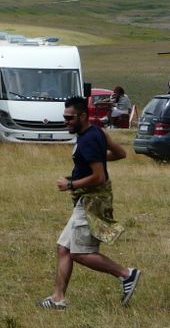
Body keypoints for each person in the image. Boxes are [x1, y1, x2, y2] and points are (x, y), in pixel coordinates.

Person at [37, 96, 140, 310]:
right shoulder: (97, 132)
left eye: (69, 117)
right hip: (86, 199)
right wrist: (95, 157)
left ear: (83, 116)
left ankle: (126, 274)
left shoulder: (88, 140)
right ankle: (57, 298)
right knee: (64, 247)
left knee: (79, 252)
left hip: (92, 200)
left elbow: (99, 177)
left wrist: (71, 184)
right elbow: (120, 153)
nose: (66, 121)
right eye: (64, 117)